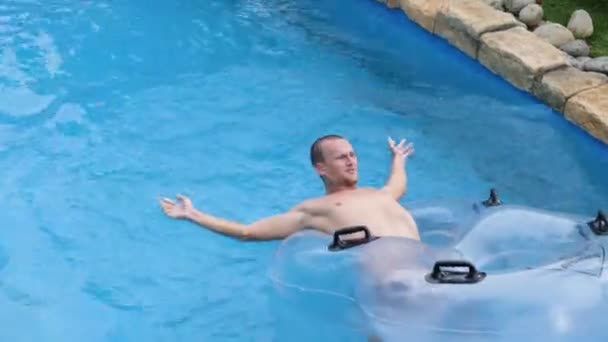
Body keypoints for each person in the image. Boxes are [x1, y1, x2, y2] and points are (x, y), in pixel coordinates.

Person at [159, 134, 420, 242]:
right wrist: (193, 214)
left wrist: (398, 158)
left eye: (352, 154)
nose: (351, 161)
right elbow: (248, 232)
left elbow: (397, 185)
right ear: (321, 168)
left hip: (427, 268)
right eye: (342, 157)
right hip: (390, 281)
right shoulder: (315, 210)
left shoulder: (378, 194)